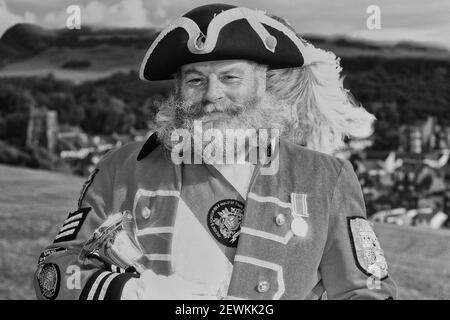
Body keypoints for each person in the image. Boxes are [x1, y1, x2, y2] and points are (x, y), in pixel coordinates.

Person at [34, 3, 397, 300]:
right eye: (195, 80)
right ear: (177, 89)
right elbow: (53, 276)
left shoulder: (326, 177)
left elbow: (368, 291)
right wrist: (140, 293)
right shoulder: (121, 167)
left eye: (229, 77)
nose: (211, 95)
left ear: (262, 84)